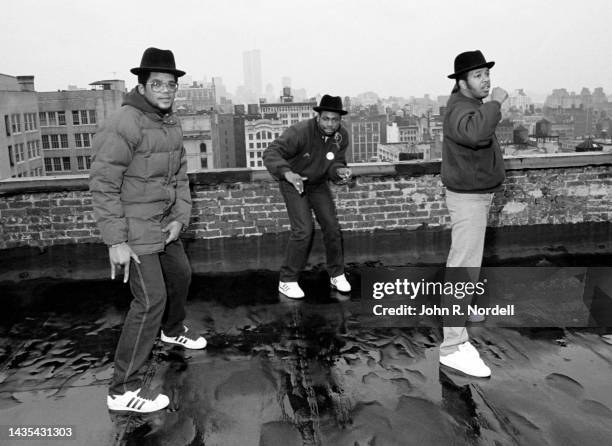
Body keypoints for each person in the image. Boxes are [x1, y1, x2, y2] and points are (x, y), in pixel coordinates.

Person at [90, 47, 206, 413]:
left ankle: (172, 329)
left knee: (182, 276)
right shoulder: (124, 122)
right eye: (158, 83)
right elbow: (104, 183)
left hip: (163, 224)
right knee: (150, 300)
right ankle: (122, 389)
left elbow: (181, 178)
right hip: (133, 227)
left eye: (171, 84)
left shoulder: (170, 123)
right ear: (142, 85)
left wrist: (180, 218)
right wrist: (116, 241)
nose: (166, 90)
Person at [439, 50, 508, 377]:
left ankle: (463, 313)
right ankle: (452, 347)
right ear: (462, 82)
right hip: (467, 199)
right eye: (479, 75)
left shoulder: (469, 107)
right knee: (463, 266)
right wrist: (495, 102)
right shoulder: (460, 110)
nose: (486, 80)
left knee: (468, 262)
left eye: (487, 74)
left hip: (476, 196)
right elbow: (476, 134)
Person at [263, 95, 352, 299]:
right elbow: (271, 153)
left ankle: (336, 274)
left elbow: (336, 164)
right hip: (295, 182)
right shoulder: (300, 132)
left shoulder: (341, 136)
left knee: (332, 226)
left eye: (335, 120)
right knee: (303, 229)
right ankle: (287, 280)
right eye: (326, 119)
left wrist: (340, 172)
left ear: (340, 120)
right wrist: (287, 173)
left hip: (318, 184)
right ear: (318, 117)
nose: (330, 124)